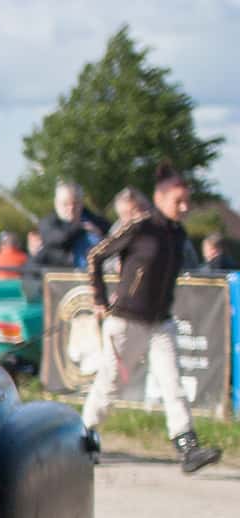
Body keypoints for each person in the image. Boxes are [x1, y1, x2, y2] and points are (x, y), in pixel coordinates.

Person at [84, 168, 222, 474]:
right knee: (110, 383)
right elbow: (95, 255)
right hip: (126, 320)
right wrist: (99, 299)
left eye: (187, 201)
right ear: (160, 198)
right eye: (178, 201)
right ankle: (84, 437)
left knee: (172, 382)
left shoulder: (178, 234)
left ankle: (187, 446)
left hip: (161, 322)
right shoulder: (140, 227)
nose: (184, 207)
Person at [36, 181, 108, 270]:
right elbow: (58, 239)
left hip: (92, 271)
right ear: (57, 203)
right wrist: (79, 227)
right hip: (58, 271)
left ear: (81, 203)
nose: (71, 208)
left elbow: (109, 231)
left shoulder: (92, 219)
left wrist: (99, 233)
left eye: (75, 203)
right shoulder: (48, 222)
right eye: (65, 204)